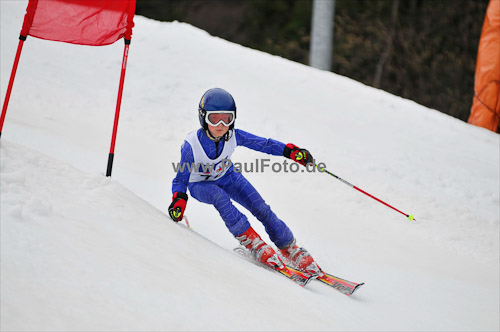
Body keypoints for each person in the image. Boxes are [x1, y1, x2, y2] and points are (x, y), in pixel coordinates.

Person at [168, 88, 324, 277]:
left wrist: (290, 152)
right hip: (200, 184)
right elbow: (181, 178)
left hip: (228, 176)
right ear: (203, 118)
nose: (221, 124)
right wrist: (179, 199)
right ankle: (253, 241)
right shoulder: (191, 144)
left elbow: (264, 144)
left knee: (260, 207)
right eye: (214, 118)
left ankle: (289, 247)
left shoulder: (234, 135)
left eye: (227, 118)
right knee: (220, 198)